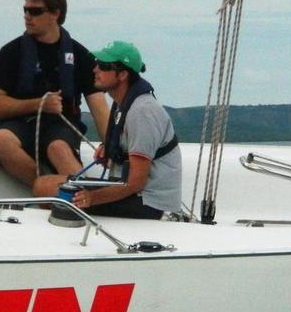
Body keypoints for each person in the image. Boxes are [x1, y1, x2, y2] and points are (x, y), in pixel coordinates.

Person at [34, 40, 182, 220]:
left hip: (150, 203)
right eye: (97, 64)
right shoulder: (124, 104)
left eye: (103, 66)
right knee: (43, 185)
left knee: (49, 189)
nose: (95, 69)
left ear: (122, 75)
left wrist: (92, 198)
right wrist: (111, 152)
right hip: (135, 194)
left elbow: (136, 183)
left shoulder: (142, 112)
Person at [0, 0, 109, 186]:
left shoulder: (80, 56)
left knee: (58, 148)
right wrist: (38, 104)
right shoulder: (11, 53)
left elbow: (99, 107)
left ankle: (90, 200)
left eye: (35, 11)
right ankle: (43, 186)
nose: (27, 16)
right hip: (19, 124)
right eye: (25, 10)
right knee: (1, 140)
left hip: (62, 126)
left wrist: (111, 148)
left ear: (55, 14)